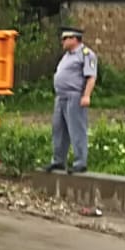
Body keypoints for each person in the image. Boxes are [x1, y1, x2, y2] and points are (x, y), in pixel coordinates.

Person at [49, 26, 98, 174]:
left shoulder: (86, 54)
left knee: (76, 129)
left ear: (74, 39)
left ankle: (80, 162)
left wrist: (86, 95)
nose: (62, 41)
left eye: (65, 38)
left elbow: (91, 77)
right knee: (59, 129)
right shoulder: (67, 55)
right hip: (61, 97)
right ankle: (58, 160)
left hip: (75, 96)